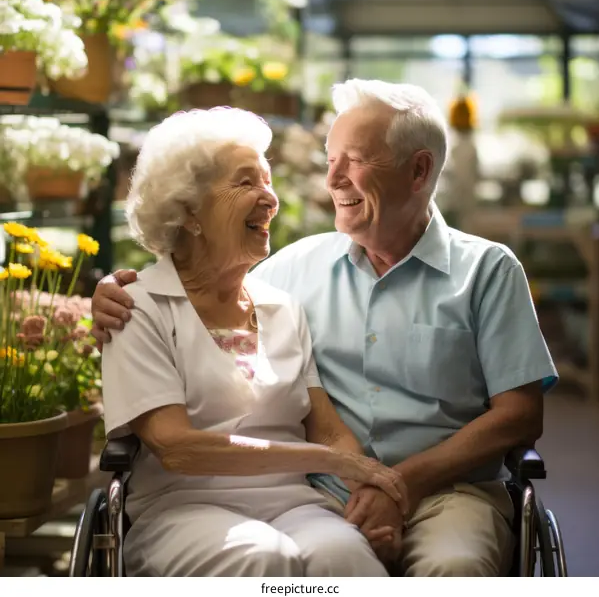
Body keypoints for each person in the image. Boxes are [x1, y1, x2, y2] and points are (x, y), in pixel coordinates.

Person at [92, 80, 558, 577]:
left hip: (442, 494)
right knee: (275, 559)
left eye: (353, 160)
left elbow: (518, 417)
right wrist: (110, 294)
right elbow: (195, 282)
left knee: (444, 569)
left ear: (418, 170)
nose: (331, 180)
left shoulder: (486, 270)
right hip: (325, 494)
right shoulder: (289, 271)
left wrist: (390, 485)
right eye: (329, 159)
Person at [98, 106, 408, 578]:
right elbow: (177, 447)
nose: (269, 199)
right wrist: (326, 460)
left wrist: (367, 490)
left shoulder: (282, 306)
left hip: (293, 504)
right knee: (265, 558)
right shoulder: (138, 307)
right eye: (246, 183)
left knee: (346, 558)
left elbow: (326, 429)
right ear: (189, 212)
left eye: (268, 182)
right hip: (183, 507)